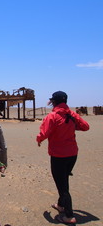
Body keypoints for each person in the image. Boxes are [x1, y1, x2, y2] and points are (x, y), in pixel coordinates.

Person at [36, 91, 89, 224]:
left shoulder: (52, 116)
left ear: (54, 101)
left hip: (59, 155)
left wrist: (39, 139)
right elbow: (85, 127)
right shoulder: (71, 115)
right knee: (63, 180)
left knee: (62, 186)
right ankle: (60, 205)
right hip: (72, 154)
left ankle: (69, 216)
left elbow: (44, 132)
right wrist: (71, 127)